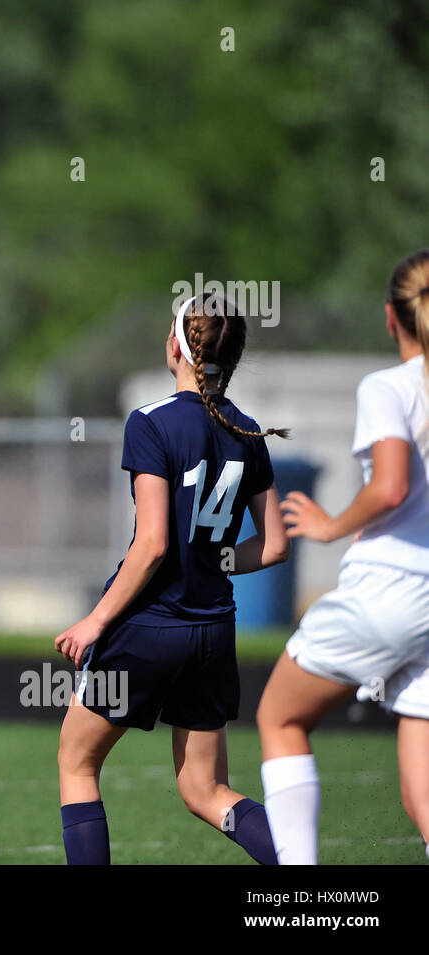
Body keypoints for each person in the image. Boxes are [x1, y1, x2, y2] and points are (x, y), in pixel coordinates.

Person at [54, 292, 290, 865]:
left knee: (77, 763)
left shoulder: (151, 421)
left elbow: (153, 544)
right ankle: (298, 865)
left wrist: (95, 619)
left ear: (180, 348)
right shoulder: (249, 430)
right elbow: (276, 544)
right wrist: (215, 561)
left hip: (150, 627)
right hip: (212, 630)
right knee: (204, 791)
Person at [257, 250, 429, 864]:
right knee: (421, 799)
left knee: (279, 718)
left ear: (391, 317)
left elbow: (390, 487)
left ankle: (301, 899)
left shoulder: (388, 386)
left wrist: (330, 526)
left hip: (392, 590)